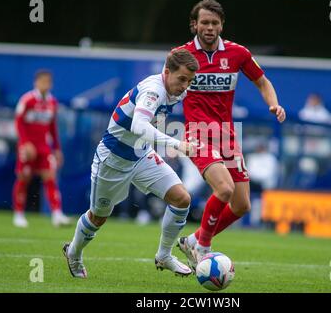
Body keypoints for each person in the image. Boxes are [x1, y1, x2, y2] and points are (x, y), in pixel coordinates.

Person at [62, 49, 199, 278]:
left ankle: (164, 255)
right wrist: (176, 144)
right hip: (113, 159)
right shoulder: (153, 90)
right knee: (98, 216)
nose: (185, 86)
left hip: (142, 154)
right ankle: (73, 252)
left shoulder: (177, 91)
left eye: (189, 81)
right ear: (166, 72)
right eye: (182, 79)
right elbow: (139, 126)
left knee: (182, 198)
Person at [174, 0, 286, 270]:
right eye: (204, 23)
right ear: (194, 25)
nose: (209, 28)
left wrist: (273, 102)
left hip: (226, 135)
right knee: (223, 189)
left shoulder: (237, 53)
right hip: (197, 132)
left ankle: (193, 240)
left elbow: (262, 81)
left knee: (242, 204)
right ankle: (203, 249)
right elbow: (166, 85)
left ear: (222, 25)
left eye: (214, 23)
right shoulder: (182, 55)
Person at [12, 70, 70, 228]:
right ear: (36, 82)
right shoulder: (28, 100)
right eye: (42, 81)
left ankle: (57, 214)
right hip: (28, 146)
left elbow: (52, 128)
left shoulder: (52, 102)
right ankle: (18, 214)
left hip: (44, 147)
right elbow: (18, 122)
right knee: (23, 178)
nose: (45, 85)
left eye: (48, 82)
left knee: (50, 178)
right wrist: (24, 143)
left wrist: (57, 149)